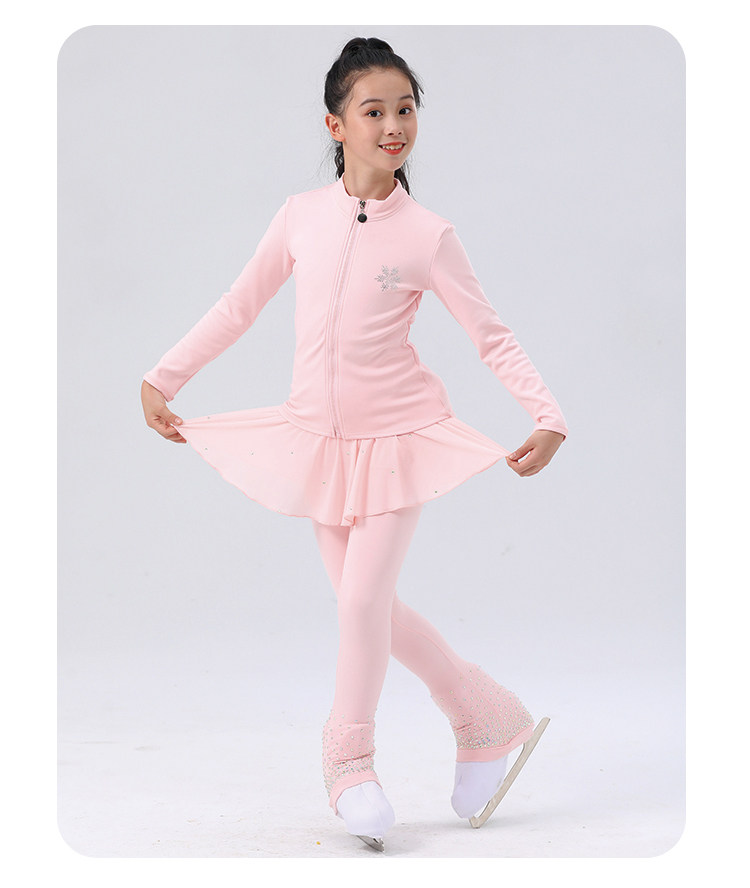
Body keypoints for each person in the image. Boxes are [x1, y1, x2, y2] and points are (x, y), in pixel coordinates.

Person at [141, 36, 568, 851]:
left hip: (398, 440)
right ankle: (484, 718)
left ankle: (350, 765)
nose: (393, 125)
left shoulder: (428, 235)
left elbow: (490, 334)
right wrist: (165, 377)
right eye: (374, 111)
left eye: (405, 109)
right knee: (360, 604)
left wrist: (547, 414)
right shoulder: (300, 217)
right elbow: (238, 305)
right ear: (336, 125)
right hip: (319, 445)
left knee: (363, 603)